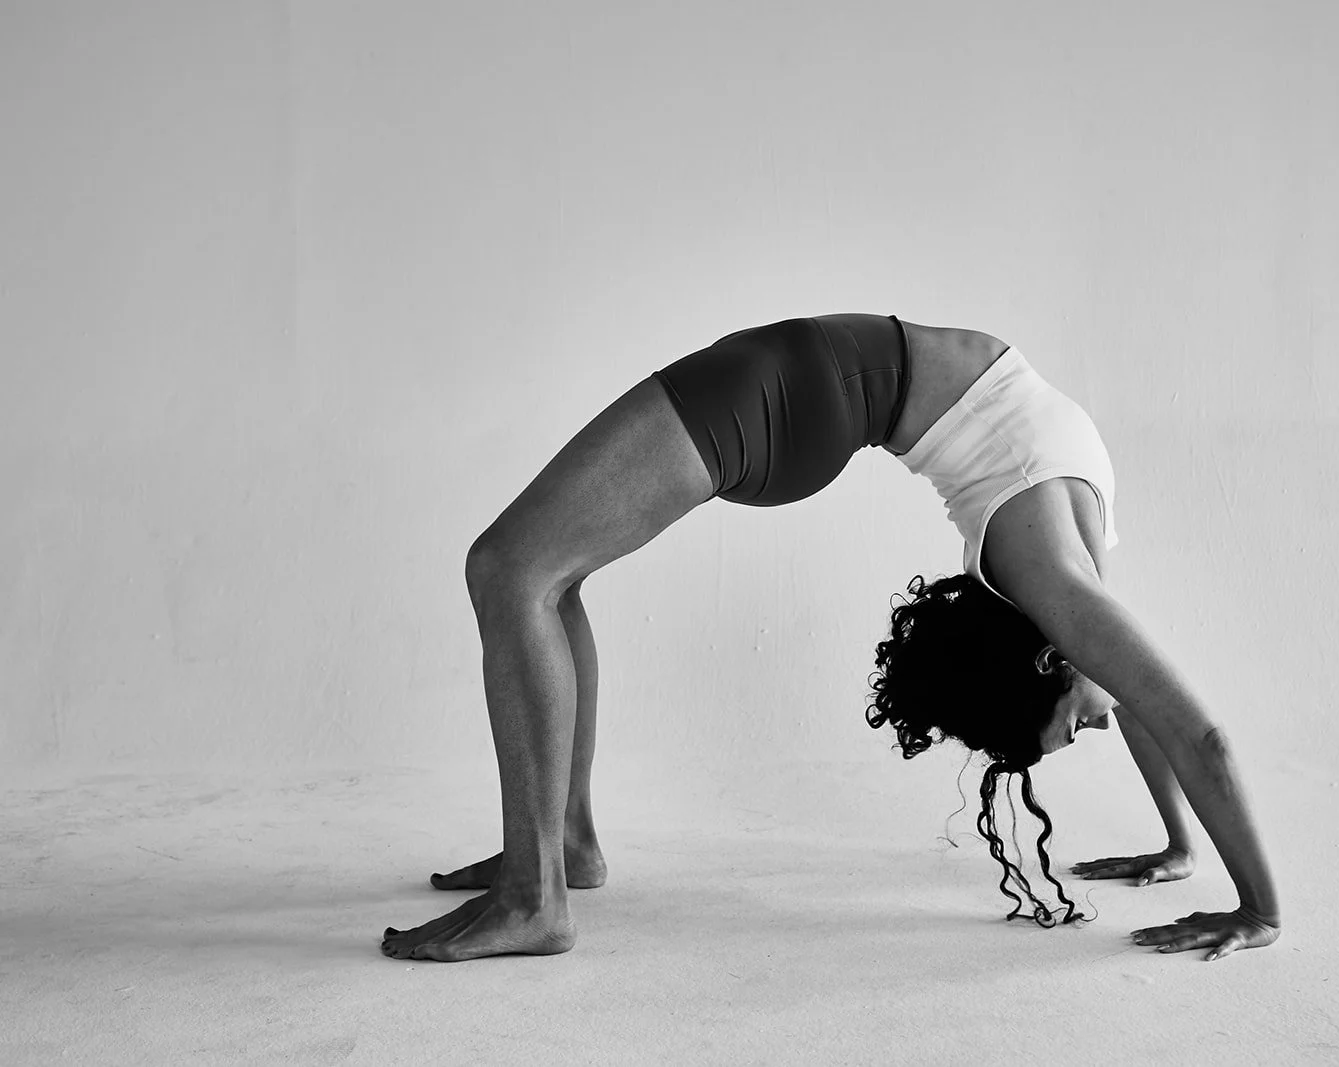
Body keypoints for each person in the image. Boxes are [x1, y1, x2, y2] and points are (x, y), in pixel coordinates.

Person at [380, 313, 1282, 963]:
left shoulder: (1062, 567)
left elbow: (1146, 703)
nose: (1101, 721)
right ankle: (552, 862)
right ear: (1051, 656)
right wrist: (1249, 899)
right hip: (797, 388)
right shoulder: (1060, 583)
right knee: (532, 574)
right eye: (1076, 725)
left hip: (799, 385)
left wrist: (1194, 854)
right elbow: (1189, 727)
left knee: (516, 572)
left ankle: (542, 881)